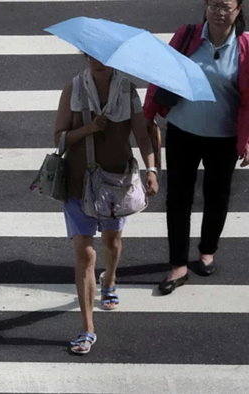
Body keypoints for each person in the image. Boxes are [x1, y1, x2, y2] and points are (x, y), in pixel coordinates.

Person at [54, 56, 159, 354]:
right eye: (92, 55)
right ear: (85, 56)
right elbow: (58, 138)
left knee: (112, 243)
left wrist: (152, 170)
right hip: (78, 184)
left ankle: (109, 279)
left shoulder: (127, 92)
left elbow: (142, 135)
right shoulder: (72, 89)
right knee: (86, 254)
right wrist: (89, 128)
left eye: (105, 56)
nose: (98, 61)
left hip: (116, 184)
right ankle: (87, 329)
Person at [144, 0, 249, 296]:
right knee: (178, 199)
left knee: (217, 197)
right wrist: (149, 115)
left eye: (226, 5)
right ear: (205, 7)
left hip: (223, 137)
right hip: (182, 131)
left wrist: (247, 137)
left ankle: (207, 250)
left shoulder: (244, 47)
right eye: (213, 4)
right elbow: (161, 75)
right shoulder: (187, 35)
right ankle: (177, 264)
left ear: (239, 10)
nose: (219, 11)